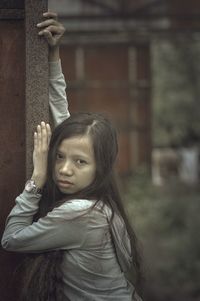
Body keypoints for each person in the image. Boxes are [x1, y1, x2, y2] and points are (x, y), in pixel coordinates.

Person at [1, 12, 143, 301]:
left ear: (99, 168)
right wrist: (51, 58)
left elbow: (11, 239)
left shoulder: (80, 213)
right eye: (59, 157)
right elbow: (63, 120)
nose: (64, 169)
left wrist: (37, 180)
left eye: (80, 162)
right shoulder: (101, 203)